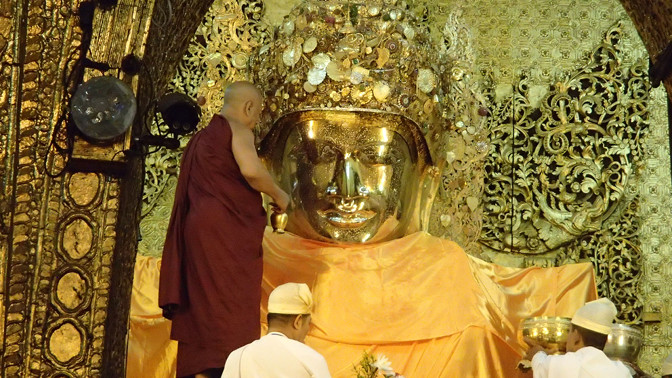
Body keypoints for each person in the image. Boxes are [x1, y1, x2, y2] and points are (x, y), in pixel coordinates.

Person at [158, 81, 290, 378]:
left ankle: (201, 369)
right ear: (248, 107)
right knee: (227, 306)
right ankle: (226, 367)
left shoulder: (201, 139)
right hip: (225, 231)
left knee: (203, 301)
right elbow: (251, 170)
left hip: (199, 230)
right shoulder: (237, 129)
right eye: (257, 113)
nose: (256, 120)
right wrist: (280, 195)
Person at [221, 283, 331, 378]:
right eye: (308, 323)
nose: (308, 331)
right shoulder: (311, 359)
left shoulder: (237, 357)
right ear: (298, 321)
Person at [524, 298, 632, 377]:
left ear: (576, 336)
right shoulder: (622, 371)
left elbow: (541, 366)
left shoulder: (568, 364)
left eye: (569, 331)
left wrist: (537, 353)